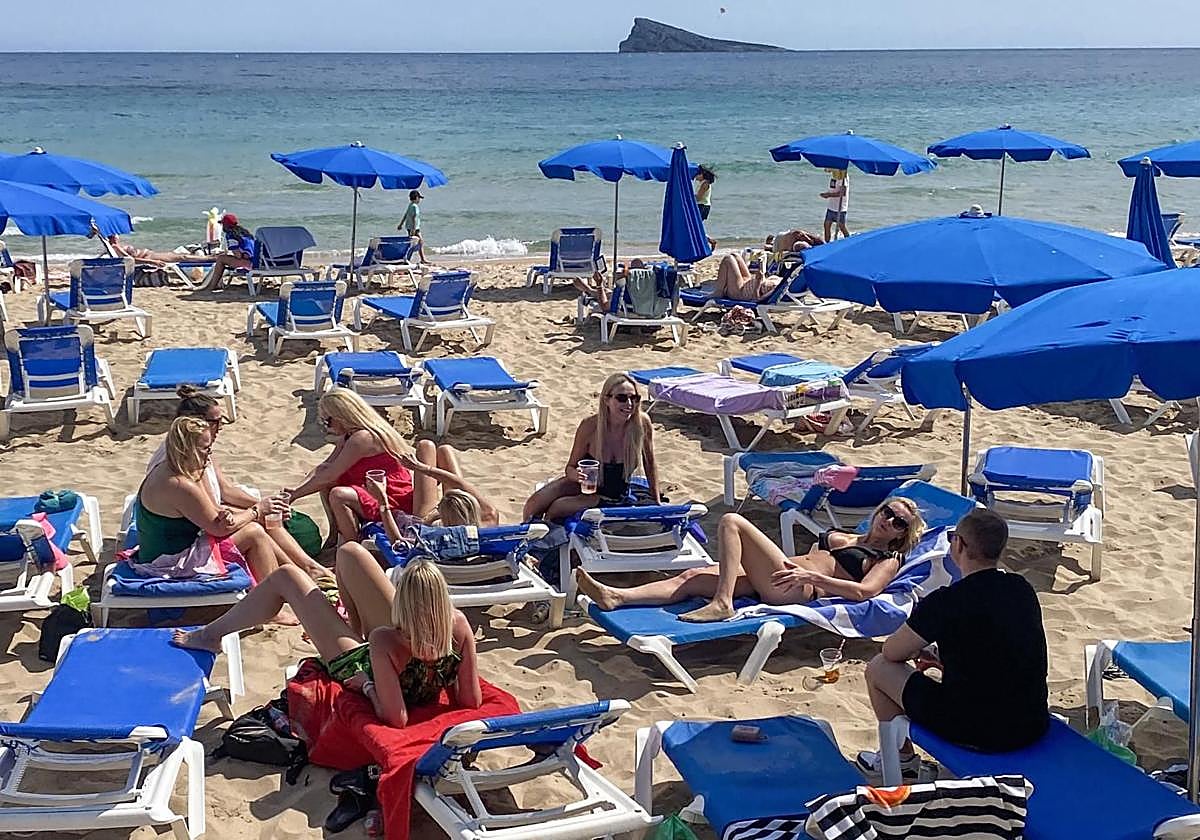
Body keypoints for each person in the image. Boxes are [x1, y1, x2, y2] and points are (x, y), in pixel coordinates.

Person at [173, 558, 481, 729]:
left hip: (365, 663)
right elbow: (470, 700)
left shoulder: (385, 639)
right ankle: (349, 625)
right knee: (350, 552)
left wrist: (366, 687)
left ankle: (210, 635)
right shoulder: (458, 625)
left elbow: (396, 718)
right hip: (409, 655)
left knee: (287, 576)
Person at [856, 509, 1049, 778]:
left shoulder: (946, 601)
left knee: (878, 668)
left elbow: (891, 651)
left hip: (975, 729)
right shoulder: (1021, 589)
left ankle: (902, 759)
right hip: (1031, 724)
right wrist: (941, 655)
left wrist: (919, 649)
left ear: (959, 544)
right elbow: (998, 647)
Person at [578, 498, 925, 623]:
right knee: (695, 575)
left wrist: (815, 579)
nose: (889, 521)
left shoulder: (887, 558)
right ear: (879, 510)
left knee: (732, 521)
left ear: (901, 534)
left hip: (799, 589)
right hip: (780, 576)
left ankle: (723, 602)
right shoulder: (847, 535)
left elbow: (865, 593)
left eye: (899, 523)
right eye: (888, 512)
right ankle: (617, 596)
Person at [144, 387, 328, 580]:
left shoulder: (194, 452)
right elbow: (215, 520)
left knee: (266, 517)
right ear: (196, 424)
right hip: (177, 556)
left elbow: (225, 491)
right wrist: (256, 510)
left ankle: (305, 570)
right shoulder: (182, 469)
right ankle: (289, 581)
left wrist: (268, 505)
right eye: (216, 422)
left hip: (196, 529)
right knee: (256, 529)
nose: (220, 427)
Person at [137, 417, 294, 620]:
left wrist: (253, 512)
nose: (209, 453)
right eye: (205, 449)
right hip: (169, 561)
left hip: (177, 546)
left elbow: (215, 512)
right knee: (254, 534)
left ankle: (282, 584)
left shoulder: (184, 468)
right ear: (188, 449)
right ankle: (270, 607)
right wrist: (256, 511)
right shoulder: (178, 484)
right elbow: (218, 529)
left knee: (253, 525)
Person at [284, 389, 418, 544]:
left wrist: (294, 497)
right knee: (324, 481)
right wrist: (294, 490)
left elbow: (330, 475)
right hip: (372, 487)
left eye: (327, 421)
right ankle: (335, 535)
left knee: (338, 494)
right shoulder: (350, 436)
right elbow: (324, 468)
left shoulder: (363, 438)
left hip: (390, 496)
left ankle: (351, 544)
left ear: (341, 417)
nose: (327, 428)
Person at [523, 373, 660, 522]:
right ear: (606, 400)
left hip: (611, 494)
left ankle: (550, 536)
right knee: (533, 505)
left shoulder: (640, 424)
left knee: (558, 508)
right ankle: (528, 537)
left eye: (634, 398)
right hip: (585, 486)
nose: (629, 404)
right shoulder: (590, 426)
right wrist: (576, 475)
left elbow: (650, 464)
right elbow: (570, 468)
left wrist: (656, 501)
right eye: (622, 398)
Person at [207, 213, 256, 288]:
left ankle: (213, 286)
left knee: (221, 259)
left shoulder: (231, 235)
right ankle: (214, 284)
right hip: (258, 262)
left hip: (249, 263)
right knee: (224, 257)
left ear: (226, 225)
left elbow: (238, 255)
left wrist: (228, 255)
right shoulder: (245, 233)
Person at [709, 251, 780, 302]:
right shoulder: (782, 281)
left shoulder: (777, 289)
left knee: (728, 259)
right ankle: (725, 285)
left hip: (740, 292)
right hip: (748, 282)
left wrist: (758, 283)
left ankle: (719, 291)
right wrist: (762, 276)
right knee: (735, 255)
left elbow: (756, 299)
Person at [397, 189, 429, 265]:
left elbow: (406, 215)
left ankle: (409, 258)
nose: (419, 200)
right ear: (416, 198)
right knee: (420, 242)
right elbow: (414, 218)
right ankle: (422, 259)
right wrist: (414, 229)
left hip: (409, 227)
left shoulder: (410, 205)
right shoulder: (415, 207)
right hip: (414, 228)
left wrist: (401, 224)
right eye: (419, 198)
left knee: (414, 243)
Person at [821, 169, 850, 242]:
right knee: (826, 225)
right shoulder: (834, 176)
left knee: (841, 226)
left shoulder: (843, 178)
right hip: (831, 206)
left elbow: (843, 193)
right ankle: (827, 244)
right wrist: (827, 193)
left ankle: (849, 241)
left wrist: (829, 195)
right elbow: (833, 189)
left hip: (840, 208)